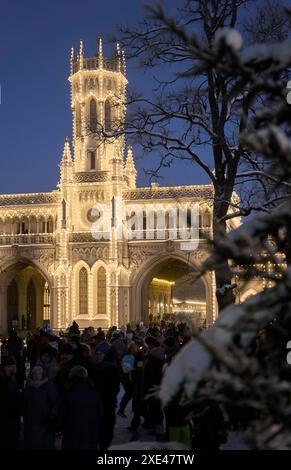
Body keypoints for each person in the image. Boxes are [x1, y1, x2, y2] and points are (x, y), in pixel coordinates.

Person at [61, 365, 103, 450]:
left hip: (72, 432)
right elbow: (100, 413)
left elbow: (62, 414)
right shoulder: (94, 392)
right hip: (90, 432)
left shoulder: (68, 393)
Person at [23, 365, 59, 449]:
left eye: (39, 373)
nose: (37, 375)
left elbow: (56, 403)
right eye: (35, 373)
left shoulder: (49, 386)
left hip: (45, 422)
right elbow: (24, 403)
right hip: (31, 422)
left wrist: (51, 417)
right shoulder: (28, 387)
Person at [93, 343, 120, 450]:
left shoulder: (111, 368)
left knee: (106, 426)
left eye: (101, 354)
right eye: (97, 354)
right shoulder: (96, 366)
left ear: (106, 354)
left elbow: (115, 388)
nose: (98, 356)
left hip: (107, 402)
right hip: (98, 402)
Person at [0, 356, 21, 450]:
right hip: (4, 418)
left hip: (12, 417)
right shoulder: (3, 380)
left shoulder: (13, 379)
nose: (9, 368)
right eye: (7, 366)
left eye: (11, 366)